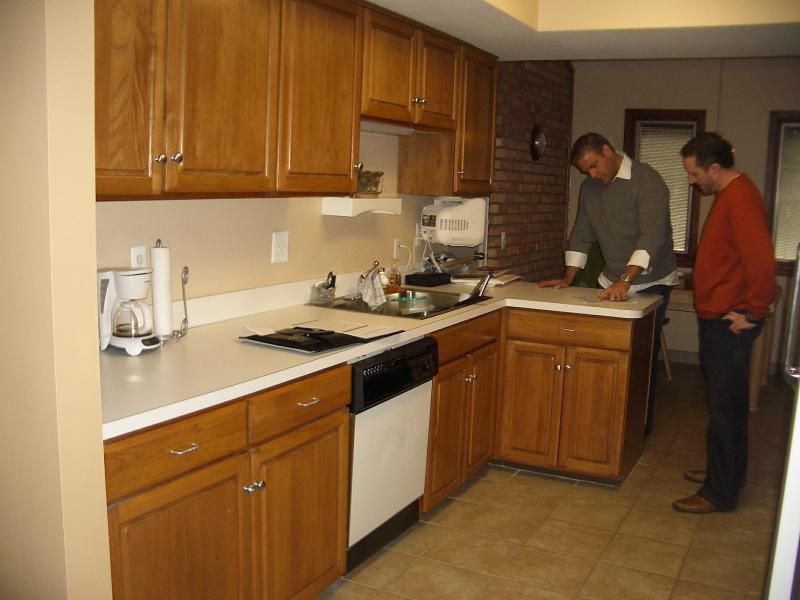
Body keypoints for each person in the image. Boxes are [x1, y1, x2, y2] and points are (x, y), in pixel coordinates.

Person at [538, 133, 679, 436]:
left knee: (640, 359)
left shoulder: (648, 181)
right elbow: (582, 233)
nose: (592, 175)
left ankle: (638, 431)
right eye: (585, 171)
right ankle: (600, 427)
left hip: (651, 281)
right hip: (612, 278)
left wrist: (626, 280)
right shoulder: (590, 189)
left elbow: (651, 236)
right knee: (605, 352)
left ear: (607, 150)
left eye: (594, 166)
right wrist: (567, 278)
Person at [673, 132, 778, 514]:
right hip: (719, 316)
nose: (691, 180)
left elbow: (763, 264)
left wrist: (753, 312)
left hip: (728, 322)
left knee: (726, 409)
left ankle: (720, 492)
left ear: (715, 168)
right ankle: (725, 474)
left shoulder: (741, 199)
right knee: (724, 406)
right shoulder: (729, 195)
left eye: (694, 172)